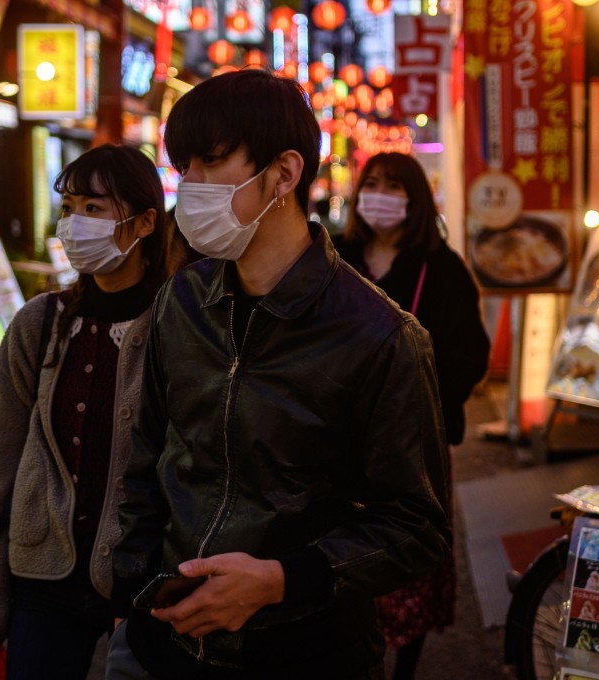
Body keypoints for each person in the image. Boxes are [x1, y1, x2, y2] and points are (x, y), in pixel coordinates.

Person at [107, 69, 451, 680]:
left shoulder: (380, 335)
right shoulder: (180, 303)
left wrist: (280, 581)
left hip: (306, 654)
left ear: (285, 174)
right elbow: (148, 455)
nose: (190, 188)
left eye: (211, 162)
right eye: (184, 168)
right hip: (163, 645)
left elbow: (416, 526)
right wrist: (132, 589)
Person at [0, 144, 172, 680]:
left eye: (94, 209)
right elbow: (0, 466)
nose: (74, 225)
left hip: (144, 575)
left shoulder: (176, 327)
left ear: (145, 221)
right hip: (43, 572)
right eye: (68, 208)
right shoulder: (40, 323)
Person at [332, 152, 490, 680]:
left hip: (414, 441)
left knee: (408, 557)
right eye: (371, 183)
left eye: (393, 186)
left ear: (415, 198)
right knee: (339, 550)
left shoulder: (443, 269)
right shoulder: (332, 256)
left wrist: (421, 397)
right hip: (333, 436)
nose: (378, 194)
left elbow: (471, 354)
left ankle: (405, 670)